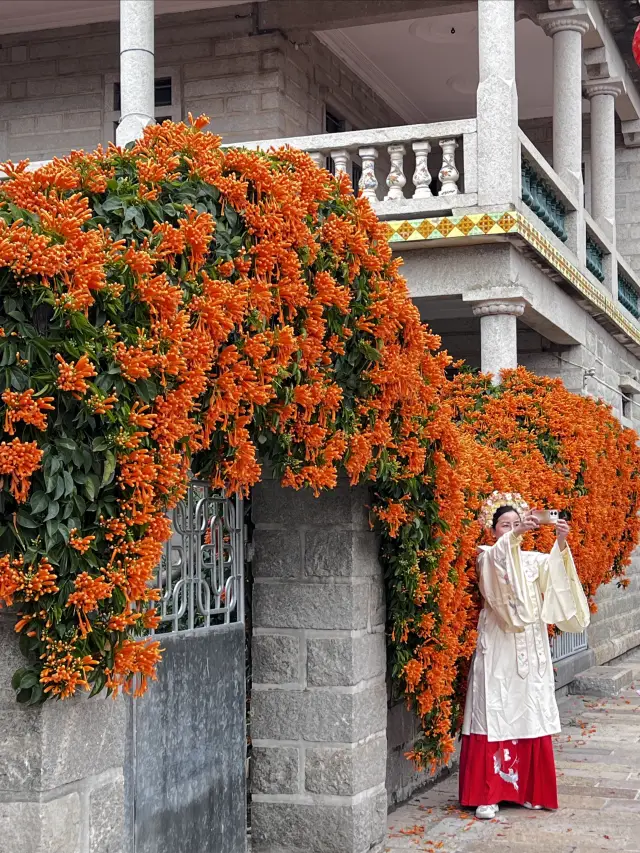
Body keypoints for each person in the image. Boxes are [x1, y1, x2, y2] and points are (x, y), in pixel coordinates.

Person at [459, 492, 590, 820]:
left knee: (529, 708)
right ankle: (486, 795)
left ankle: (530, 791)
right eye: (505, 525)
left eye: (518, 524)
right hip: (498, 643)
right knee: (493, 709)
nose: (513, 529)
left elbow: (554, 576)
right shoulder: (487, 555)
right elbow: (498, 567)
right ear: (493, 531)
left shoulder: (532, 559)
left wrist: (560, 542)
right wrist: (515, 536)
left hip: (530, 647)